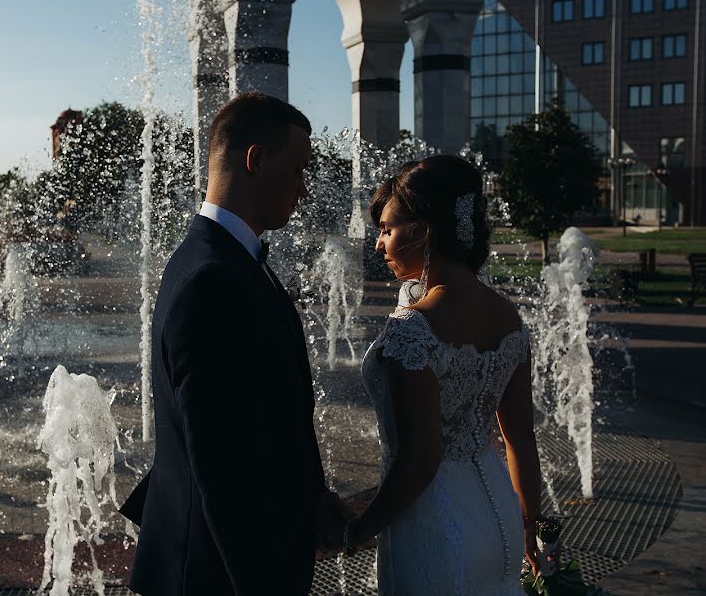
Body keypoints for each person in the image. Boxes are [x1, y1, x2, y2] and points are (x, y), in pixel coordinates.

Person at [119, 92, 350, 596]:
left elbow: (270, 413)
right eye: (296, 170)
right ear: (255, 159)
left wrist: (311, 497)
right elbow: (223, 467)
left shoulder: (224, 259)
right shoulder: (212, 279)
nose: (304, 188)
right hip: (217, 572)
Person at [344, 155, 543, 594]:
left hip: (431, 524)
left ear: (422, 231)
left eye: (387, 230)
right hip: (501, 517)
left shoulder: (412, 331)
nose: (379, 244)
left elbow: (420, 461)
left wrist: (356, 531)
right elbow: (521, 439)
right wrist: (536, 526)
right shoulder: (508, 317)